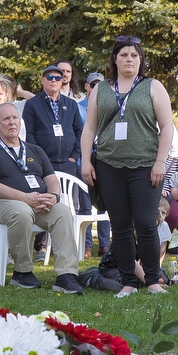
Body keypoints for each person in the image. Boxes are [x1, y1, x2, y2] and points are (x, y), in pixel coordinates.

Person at [81, 35, 175, 297]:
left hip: (146, 165)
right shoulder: (102, 89)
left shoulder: (152, 87)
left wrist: (160, 162)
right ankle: (128, 283)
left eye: (134, 55)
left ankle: (153, 280)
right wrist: (86, 160)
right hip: (109, 165)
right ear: (115, 58)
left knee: (145, 223)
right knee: (120, 225)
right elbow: (89, 128)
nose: (129, 59)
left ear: (140, 59)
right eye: (123, 55)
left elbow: (167, 127)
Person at [0, 102, 83, 294]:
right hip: (7, 202)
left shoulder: (35, 150)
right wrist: (25, 198)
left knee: (62, 212)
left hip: (40, 201)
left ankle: (66, 275)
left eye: (15, 118)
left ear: (21, 121)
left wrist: (53, 196)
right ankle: (22, 271)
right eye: (6, 119)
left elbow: (51, 178)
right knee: (22, 212)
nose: (12, 122)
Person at [24, 64, 85, 259]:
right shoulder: (33, 104)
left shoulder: (71, 104)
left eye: (57, 78)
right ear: (42, 80)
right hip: (44, 163)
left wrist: (75, 156)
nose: (53, 80)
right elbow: (29, 134)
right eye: (49, 77)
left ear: (62, 81)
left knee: (68, 204)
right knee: (42, 202)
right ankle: (41, 248)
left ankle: (66, 248)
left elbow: (79, 132)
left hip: (67, 162)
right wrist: (38, 158)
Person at [76, 71, 110, 257]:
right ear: (86, 87)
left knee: (106, 203)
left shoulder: (110, 105)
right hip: (85, 160)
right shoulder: (78, 108)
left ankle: (104, 245)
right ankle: (87, 245)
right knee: (86, 204)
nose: (96, 88)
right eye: (93, 84)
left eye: (100, 85)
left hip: (105, 160)